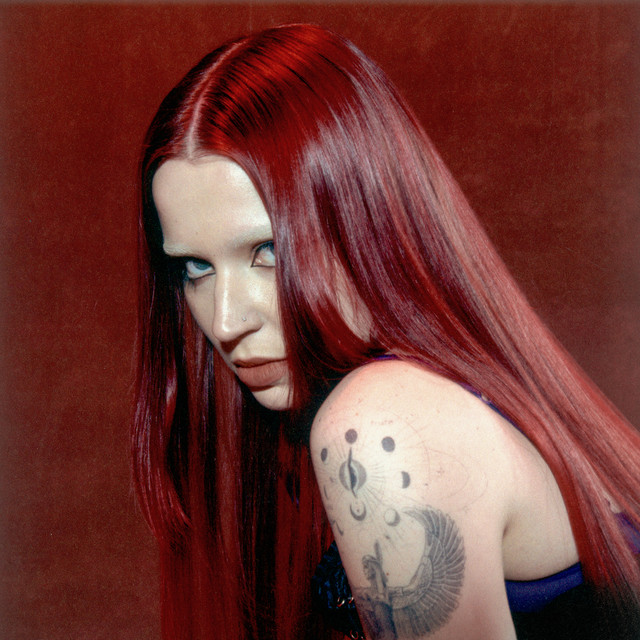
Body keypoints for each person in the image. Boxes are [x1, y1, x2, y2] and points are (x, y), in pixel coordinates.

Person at [132, 23, 640, 640]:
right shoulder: (449, 397)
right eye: (196, 268)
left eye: (269, 250)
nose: (225, 321)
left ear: (365, 224)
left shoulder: (383, 425)